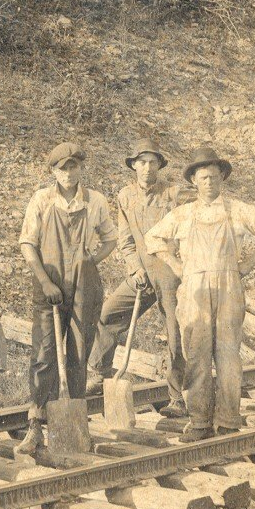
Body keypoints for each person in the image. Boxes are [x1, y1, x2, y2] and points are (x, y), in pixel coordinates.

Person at [145, 147, 255, 442]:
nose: (209, 182)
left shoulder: (237, 210)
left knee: (229, 355)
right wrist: (175, 264)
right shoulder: (182, 214)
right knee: (196, 354)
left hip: (229, 287)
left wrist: (248, 263)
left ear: (222, 178)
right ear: (194, 181)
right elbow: (152, 238)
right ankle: (199, 421)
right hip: (194, 289)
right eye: (203, 177)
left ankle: (229, 420)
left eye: (214, 177)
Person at [16, 142, 117, 453]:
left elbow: (111, 239)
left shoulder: (96, 201)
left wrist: (90, 262)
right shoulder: (42, 200)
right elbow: (27, 245)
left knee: (77, 354)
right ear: (53, 172)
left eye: (73, 166)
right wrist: (45, 281)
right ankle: (35, 424)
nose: (69, 173)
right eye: (62, 168)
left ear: (80, 168)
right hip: (48, 283)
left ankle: (74, 425)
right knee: (45, 353)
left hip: (84, 286)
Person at [84, 137, 192, 421]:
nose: (147, 168)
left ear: (159, 165)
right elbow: (125, 240)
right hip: (142, 274)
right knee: (107, 315)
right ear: (133, 166)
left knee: (175, 335)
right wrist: (134, 268)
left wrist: (179, 263)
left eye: (152, 162)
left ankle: (177, 398)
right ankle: (98, 374)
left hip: (171, 275)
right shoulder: (125, 196)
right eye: (141, 163)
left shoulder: (174, 193)